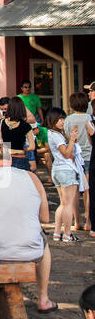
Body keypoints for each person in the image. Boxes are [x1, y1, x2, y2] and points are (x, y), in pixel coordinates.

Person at [0, 142, 56, 312]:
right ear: (10, 159)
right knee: (43, 241)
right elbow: (45, 218)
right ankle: (44, 298)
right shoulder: (32, 178)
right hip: (31, 249)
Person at [45, 107, 84, 243]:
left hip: (58, 169)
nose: (62, 121)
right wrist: (72, 140)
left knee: (63, 203)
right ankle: (67, 233)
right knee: (68, 204)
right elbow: (66, 153)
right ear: (52, 120)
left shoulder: (52, 133)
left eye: (63, 118)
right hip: (66, 170)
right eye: (59, 119)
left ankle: (57, 232)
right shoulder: (56, 135)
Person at [64, 91, 92, 233]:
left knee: (75, 189)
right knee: (88, 190)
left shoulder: (68, 119)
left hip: (74, 156)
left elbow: (67, 137)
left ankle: (77, 221)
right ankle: (88, 221)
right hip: (88, 155)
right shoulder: (90, 117)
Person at [0, 95, 37, 173]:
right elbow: (32, 147)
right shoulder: (26, 125)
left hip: (6, 158)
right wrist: (24, 149)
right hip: (20, 157)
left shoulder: (2, 123)